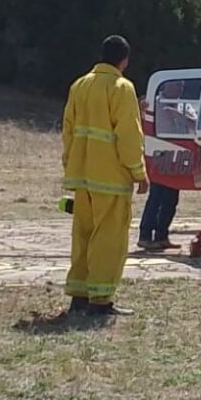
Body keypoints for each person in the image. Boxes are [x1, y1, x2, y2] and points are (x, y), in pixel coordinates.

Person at [61, 35, 149, 316]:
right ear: (124, 61)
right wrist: (139, 173)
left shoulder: (80, 85)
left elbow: (68, 130)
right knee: (108, 239)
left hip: (82, 177)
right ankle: (100, 300)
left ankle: (79, 295)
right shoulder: (122, 89)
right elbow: (128, 135)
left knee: (83, 235)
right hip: (110, 179)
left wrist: (71, 166)